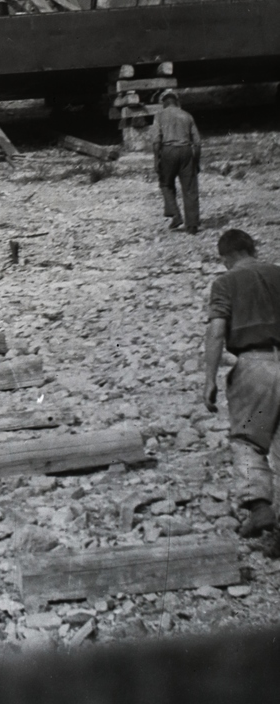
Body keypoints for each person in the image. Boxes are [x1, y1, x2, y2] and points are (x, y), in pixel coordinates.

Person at [204, 229, 280, 550]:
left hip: (255, 364)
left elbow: (216, 332)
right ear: (253, 249)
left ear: (225, 258)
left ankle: (259, 506)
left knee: (248, 440)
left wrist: (209, 378)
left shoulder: (225, 282)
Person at [151, 89, 201, 233]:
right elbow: (197, 143)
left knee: (166, 183)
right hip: (186, 151)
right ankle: (192, 225)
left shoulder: (159, 116)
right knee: (190, 188)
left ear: (164, 103)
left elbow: (156, 141)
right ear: (177, 102)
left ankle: (175, 214)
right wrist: (196, 162)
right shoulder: (187, 115)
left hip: (168, 151)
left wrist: (157, 160)